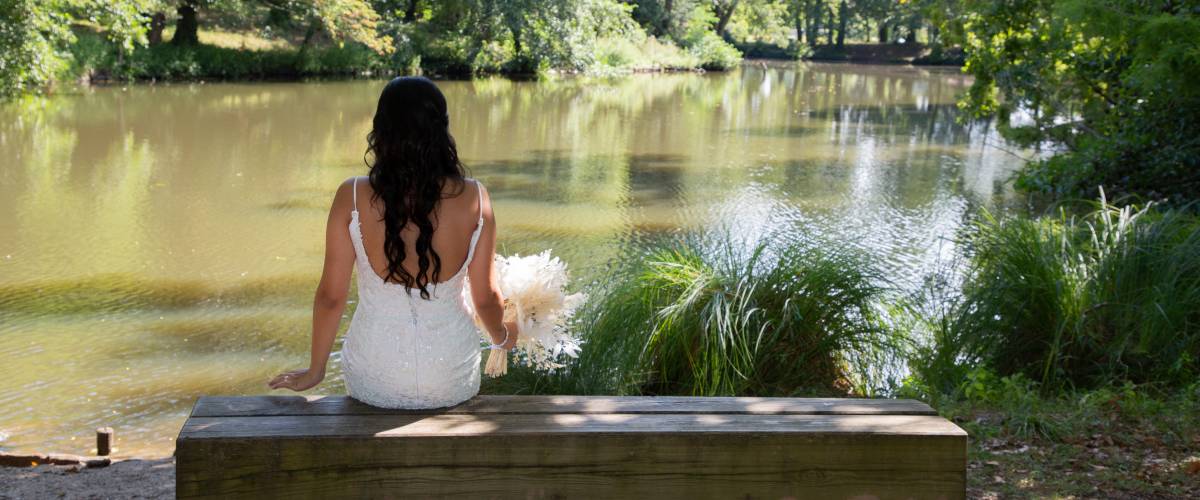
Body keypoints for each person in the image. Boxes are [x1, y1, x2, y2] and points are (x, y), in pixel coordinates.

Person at [268, 76, 516, 408]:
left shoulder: (352, 196)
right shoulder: (475, 196)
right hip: (451, 375)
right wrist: (503, 338)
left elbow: (331, 297)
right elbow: (485, 298)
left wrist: (317, 369)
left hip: (374, 375)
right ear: (442, 130)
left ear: (380, 130)